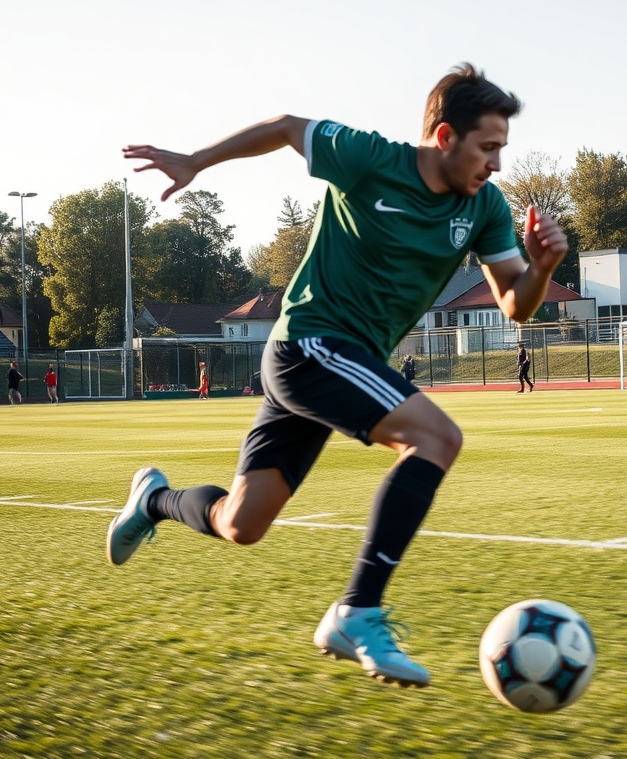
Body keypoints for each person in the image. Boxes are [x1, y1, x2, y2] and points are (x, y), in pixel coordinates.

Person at [108, 64, 568, 688]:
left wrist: (540, 267)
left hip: (341, 364)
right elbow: (285, 127)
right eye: (488, 148)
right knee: (438, 439)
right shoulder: (369, 158)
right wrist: (197, 160)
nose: (496, 164)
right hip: (310, 344)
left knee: (241, 525)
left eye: (500, 150)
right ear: (443, 137)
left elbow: (516, 304)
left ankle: (152, 500)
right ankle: (357, 611)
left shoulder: (485, 206)